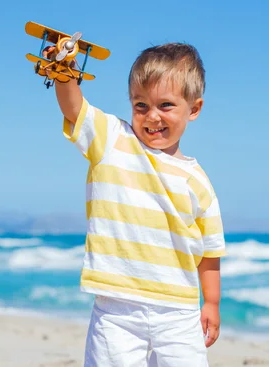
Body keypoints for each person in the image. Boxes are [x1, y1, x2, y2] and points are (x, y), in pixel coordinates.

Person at [42, 42, 226, 366]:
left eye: (165, 105)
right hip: (116, 308)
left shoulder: (198, 181)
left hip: (179, 311)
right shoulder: (112, 140)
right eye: (141, 105)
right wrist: (63, 74)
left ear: (193, 109)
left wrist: (211, 302)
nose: (152, 116)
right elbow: (75, 109)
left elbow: (210, 250)